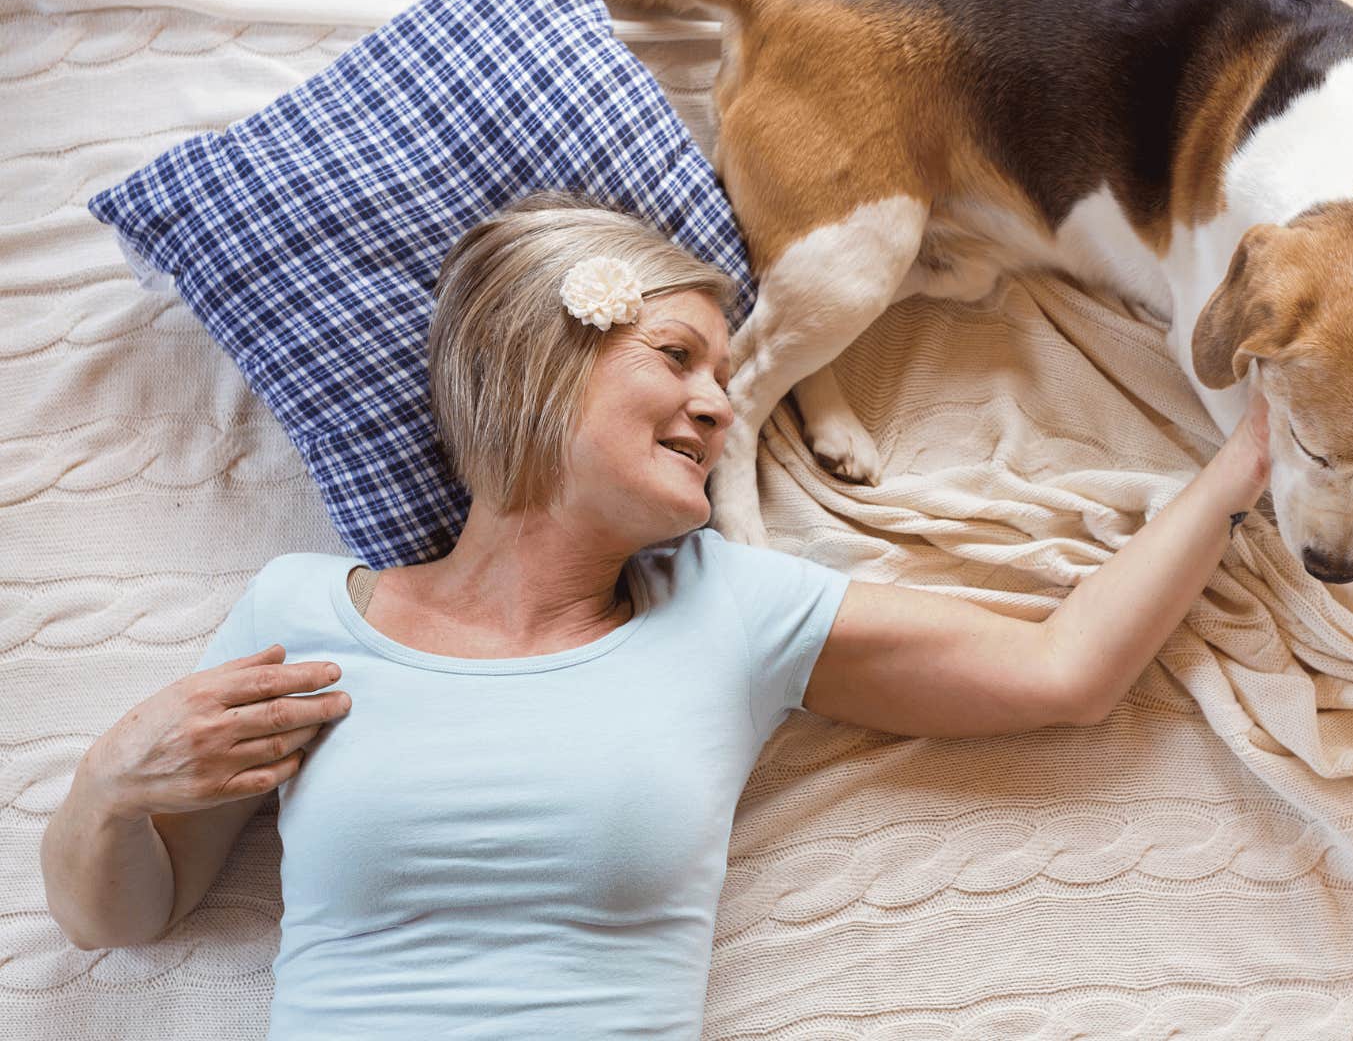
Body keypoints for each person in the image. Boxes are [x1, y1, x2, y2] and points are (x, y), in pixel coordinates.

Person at [41, 192, 1272, 1037]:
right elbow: (125, 915)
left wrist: (1250, 460)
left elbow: (1063, 671)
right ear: (533, 358)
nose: (721, 407)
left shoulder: (728, 614)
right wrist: (110, 788)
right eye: (678, 357)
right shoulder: (302, 613)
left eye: (724, 378)